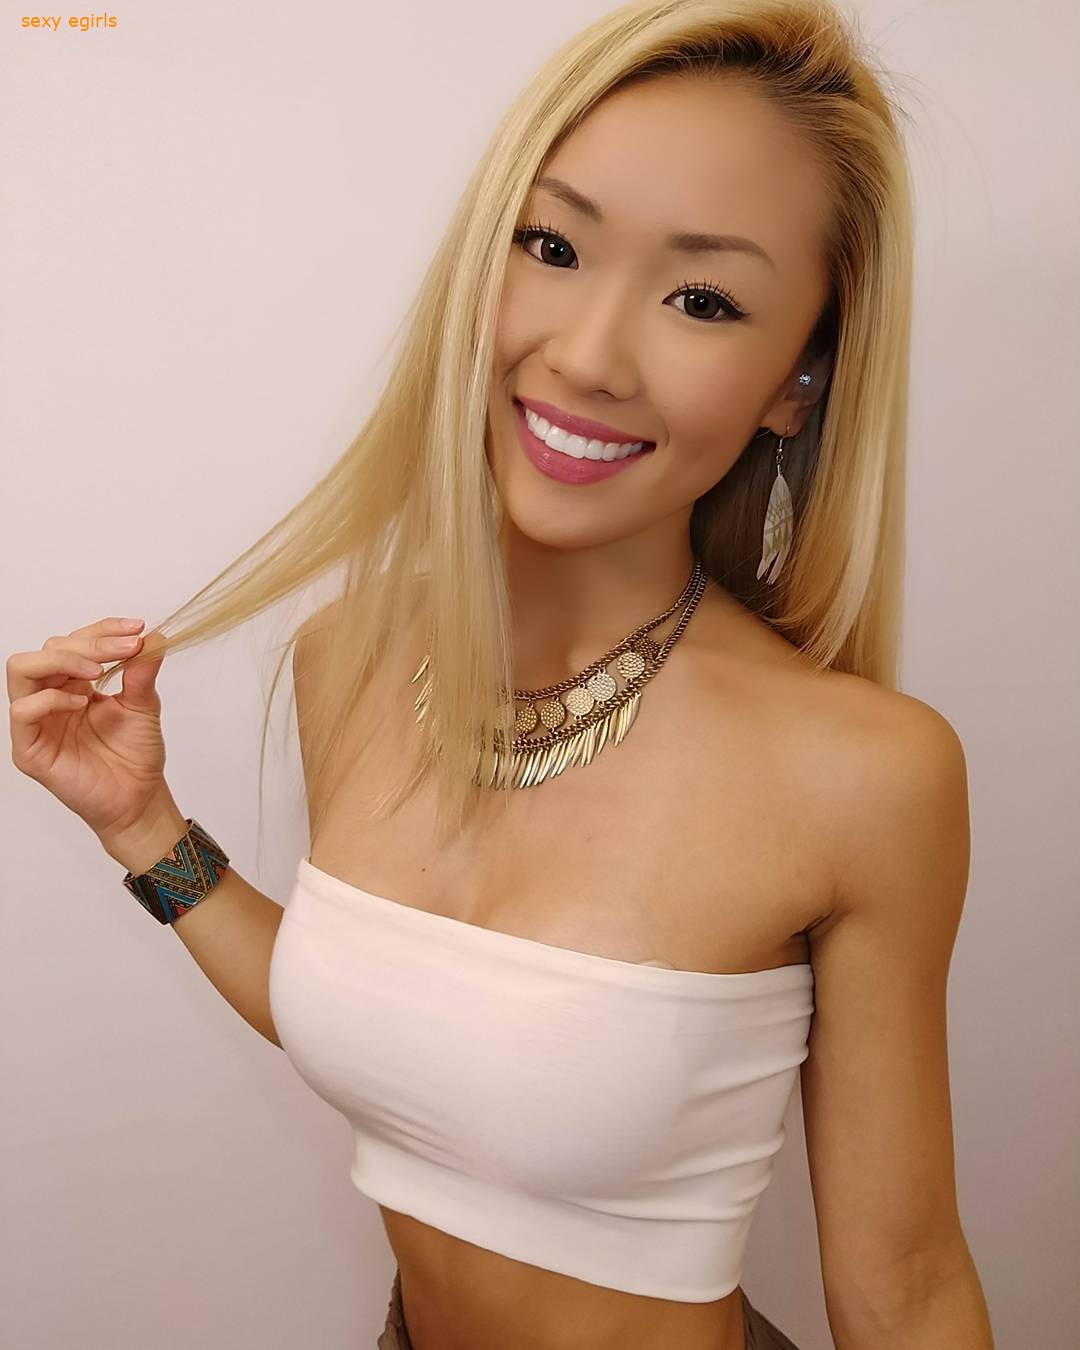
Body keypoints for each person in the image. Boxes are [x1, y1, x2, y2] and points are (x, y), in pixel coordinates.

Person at [9, 1, 996, 1346]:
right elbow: (426, 1042)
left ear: (798, 382)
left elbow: (908, 1286)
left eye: (703, 300)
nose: (586, 355)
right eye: (553, 245)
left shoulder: (864, 773)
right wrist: (144, 829)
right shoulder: (349, 659)